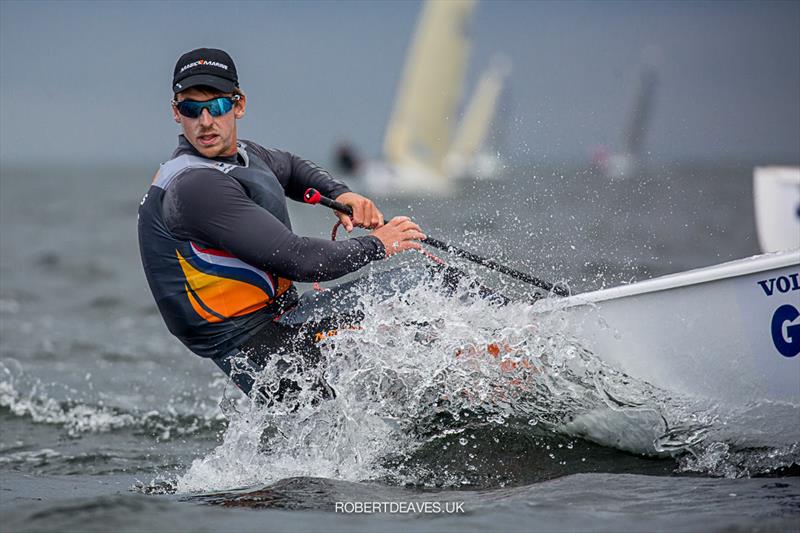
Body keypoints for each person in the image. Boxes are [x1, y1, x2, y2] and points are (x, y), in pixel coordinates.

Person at [138, 48, 426, 402]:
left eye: (216, 106)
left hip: (284, 323)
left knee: (422, 307)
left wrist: (341, 194)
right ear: (175, 112)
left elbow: (288, 167)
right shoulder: (196, 187)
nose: (205, 121)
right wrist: (380, 244)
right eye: (191, 109)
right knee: (420, 286)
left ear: (238, 105)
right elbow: (297, 259)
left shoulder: (242, 155)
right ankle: (507, 365)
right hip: (264, 348)